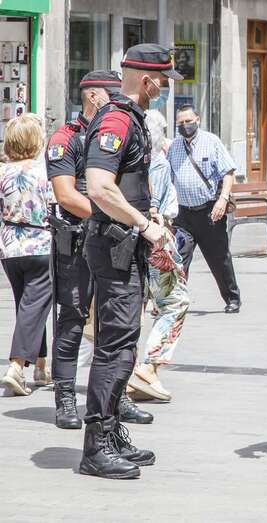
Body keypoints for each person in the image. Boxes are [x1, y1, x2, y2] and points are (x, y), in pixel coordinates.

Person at [80, 43, 183, 480]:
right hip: (116, 245)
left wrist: (149, 214)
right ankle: (96, 445)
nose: (164, 89)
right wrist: (146, 224)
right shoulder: (118, 120)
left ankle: (113, 432)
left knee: (123, 345)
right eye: (162, 81)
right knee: (114, 349)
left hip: (126, 245)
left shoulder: (132, 118)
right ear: (147, 79)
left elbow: (126, 184)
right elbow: (99, 187)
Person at [46, 70, 122, 428]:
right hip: (76, 240)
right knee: (73, 317)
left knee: (117, 320)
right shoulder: (66, 137)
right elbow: (65, 194)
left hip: (113, 241)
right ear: (94, 96)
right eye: (113, 94)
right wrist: (113, 215)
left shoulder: (110, 135)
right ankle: (64, 397)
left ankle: (113, 399)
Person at [125, 109, 189, 402]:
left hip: (128, 239)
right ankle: (148, 368)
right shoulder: (158, 163)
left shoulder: (128, 160)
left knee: (136, 306)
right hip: (156, 240)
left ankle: (132, 373)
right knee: (175, 302)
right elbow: (157, 207)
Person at [168, 104, 241, 313]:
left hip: (210, 212)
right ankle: (175, 298)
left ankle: (232, 298)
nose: (185, 126)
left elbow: (228, 172)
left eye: (188, 121)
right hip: (183, 215)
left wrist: (222, 200)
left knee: (219, 258)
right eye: (180, 123)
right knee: (179, 257)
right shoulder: (174, 147)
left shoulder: (211, 142)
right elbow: (168, 178)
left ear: (197, 120)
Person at [0, 114, 53, 396]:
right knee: (34, 305)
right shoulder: (45, 172)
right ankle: (17, 367)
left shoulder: (2, 172)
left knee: (29, 305)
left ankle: (41, 366)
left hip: (10, 248)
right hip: (41, 244)